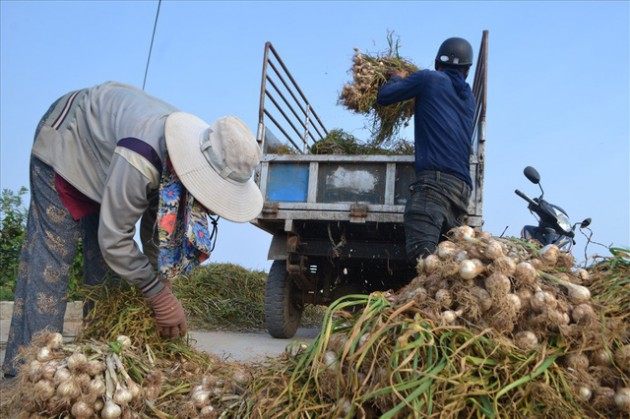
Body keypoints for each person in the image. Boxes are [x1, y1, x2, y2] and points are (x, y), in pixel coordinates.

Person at [2, 81, 263, 379]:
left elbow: (156, 231)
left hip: (107, 164)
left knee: (107, 279)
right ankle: (29, 372)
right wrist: (158, 297)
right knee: (51, 266)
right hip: (68, 142)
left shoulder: (178, 160)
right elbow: (114, 239)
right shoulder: (143, 153)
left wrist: (162, 283)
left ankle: (93, 366)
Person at [377, 37, 476, 265]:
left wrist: (396, 78)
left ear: (437, 63)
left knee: (424, 261)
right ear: (467, 70)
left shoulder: (429, 78)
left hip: (435, 186)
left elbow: (384, 97)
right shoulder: (468, 99)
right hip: (461, 191)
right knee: (446, 263)